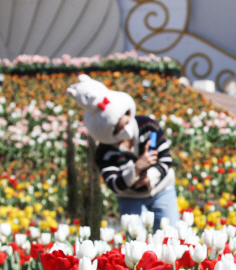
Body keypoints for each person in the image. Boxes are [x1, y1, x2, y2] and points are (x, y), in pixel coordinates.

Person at [67, 75, 179, 231]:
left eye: (126, 122)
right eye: (118, 130)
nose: (125, 130)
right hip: (130, 197)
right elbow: (114, 184)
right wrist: (136, 169)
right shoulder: (104, 152)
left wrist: (149, 177)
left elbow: (165, 159)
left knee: (169, 237)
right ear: (106, 132)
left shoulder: (148, 126)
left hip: (162, 189)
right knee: (135, 242)